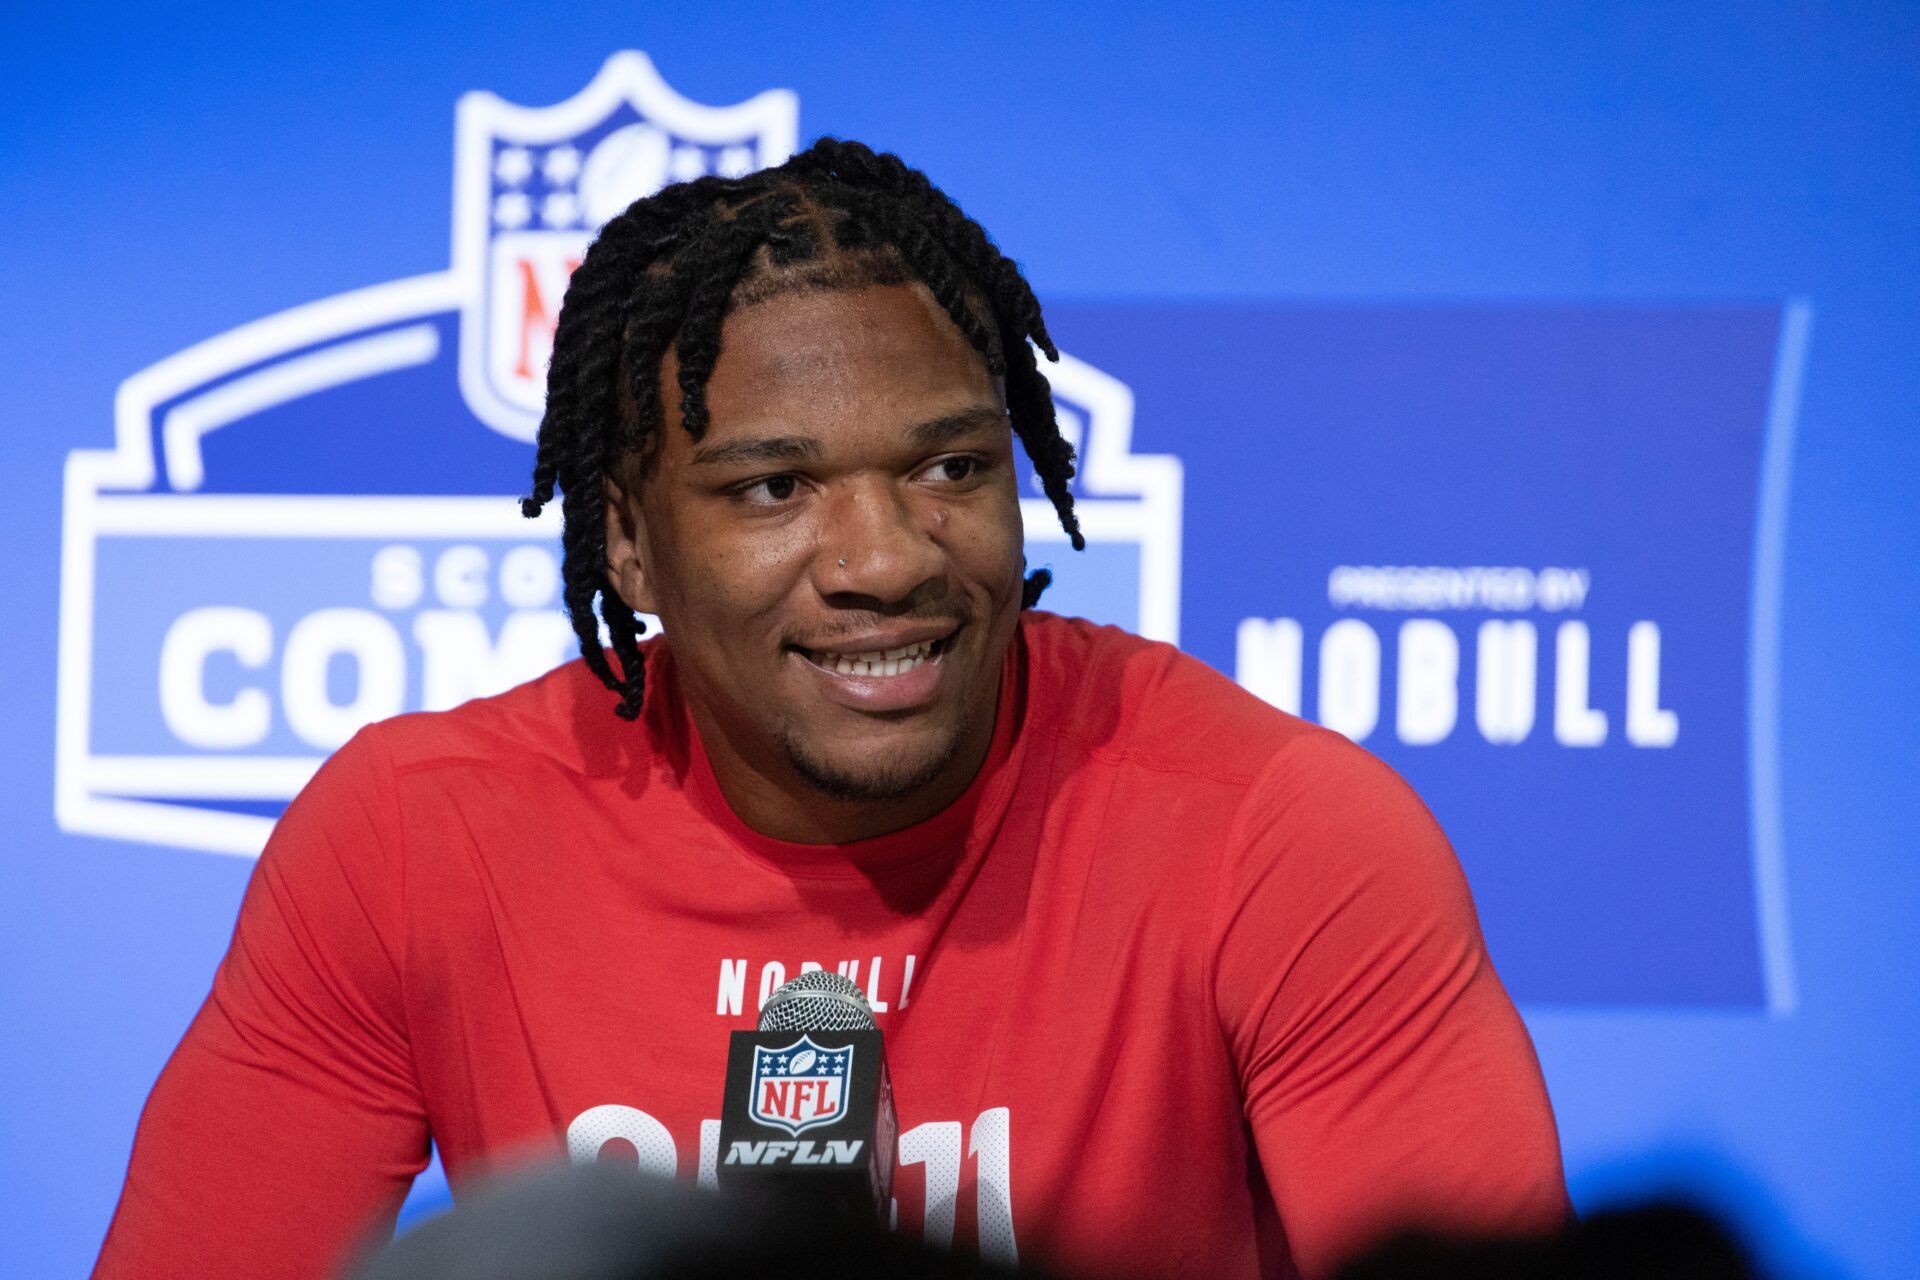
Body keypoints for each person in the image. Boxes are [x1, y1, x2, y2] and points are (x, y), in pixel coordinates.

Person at [94, 139, 1567, 1280]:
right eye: (774, 489)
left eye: (950, 469)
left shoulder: (1276, 835)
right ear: (626, 539)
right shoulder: (415, 839)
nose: (886, 562)